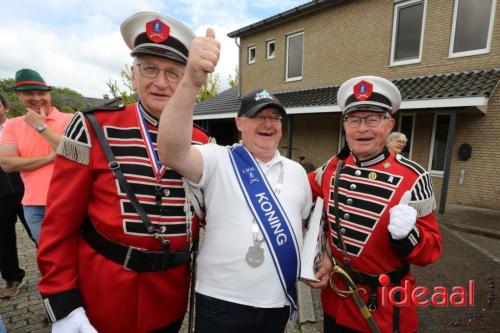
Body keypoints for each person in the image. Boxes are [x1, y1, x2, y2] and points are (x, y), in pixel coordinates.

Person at [37, 11, 211, 333]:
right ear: (133, 75)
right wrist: (64, 304)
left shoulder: (202, 142)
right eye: (150, 69)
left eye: (174, 73)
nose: (161, 82)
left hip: (170, 297)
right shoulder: (92, 127)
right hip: (103, 295)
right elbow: (59, 226)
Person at [156, 29, 313, 332]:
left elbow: (304, 227)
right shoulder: (217, 158)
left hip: (277, 302)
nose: (268, 123)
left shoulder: (296, 172)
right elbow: (172, 152)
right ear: (240, 123)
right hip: (221, 303)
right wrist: (190, 81)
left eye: (275, 117)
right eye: (258, 116)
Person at [307, 76, 441, 333]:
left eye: (372, 120)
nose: (362, 129)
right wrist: (320, 249)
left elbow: (431, 251)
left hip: (385, 308)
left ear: (389, 124)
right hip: (337, 298)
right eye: (354, 120)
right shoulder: (332, 167)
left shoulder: (414, 177)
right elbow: (301, 201)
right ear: (345, 125)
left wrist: (409, 237)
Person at [0, 69, 72, 244]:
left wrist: (40, 127)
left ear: (49, 94)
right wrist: (49, 158)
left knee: (76, 254)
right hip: (34, 205)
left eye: (41, 93)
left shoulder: (71, 119)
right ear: (18, 95)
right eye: (29, 93)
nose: (37, 98)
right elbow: (7, 163)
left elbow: (71, 152)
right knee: (48, 255)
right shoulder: (13, 125)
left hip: (68, 200)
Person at [0, 94, 35, 299]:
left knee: (40, 233)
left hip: (27, 188)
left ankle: (55, 273)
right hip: (1, 194)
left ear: (5, 107)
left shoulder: (19, 126)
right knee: (3, 238)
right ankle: (12, 277)